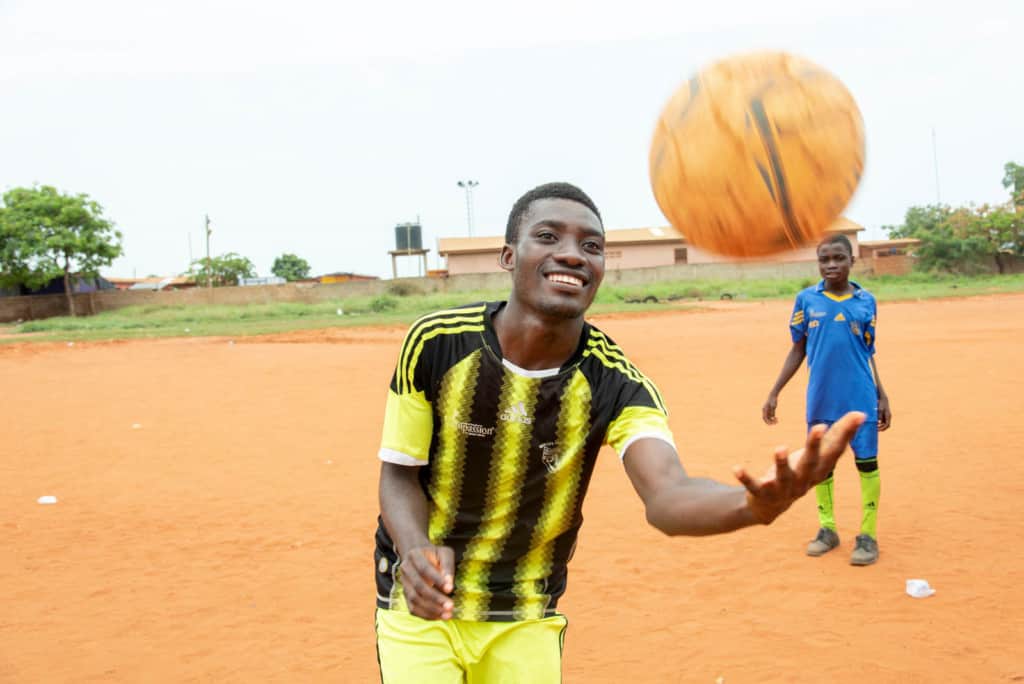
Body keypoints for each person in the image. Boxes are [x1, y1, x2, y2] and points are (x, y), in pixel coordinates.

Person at [374, 182, 865, 682]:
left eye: (591, 246)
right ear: (507, 255)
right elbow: (398, 473)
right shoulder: (435, 343)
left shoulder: (616, 384)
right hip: (421, 606)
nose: (572, 255)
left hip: (526, 611)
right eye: (547, 237)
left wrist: (750, 508)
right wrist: (414, 550)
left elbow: (668, 495)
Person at [762, 233, 892, 566]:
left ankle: (867, 535)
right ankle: (828, 529)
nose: (831, 265)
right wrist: (775, 390)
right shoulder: (806, 300)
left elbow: (868, 350)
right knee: (821, 466)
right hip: (821, 398)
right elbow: (798, 348)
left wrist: (881, 392)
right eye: (824, 259)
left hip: (860, 397)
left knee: (867, 464)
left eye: (838, 258)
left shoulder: (866, 301)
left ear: (853, 260)